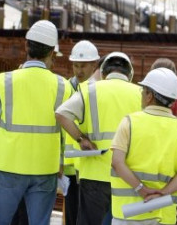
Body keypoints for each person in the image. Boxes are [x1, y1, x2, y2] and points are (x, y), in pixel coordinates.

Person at [0, 20, 72, 225]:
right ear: (52, 52)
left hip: (9, 165)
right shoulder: (63, 86)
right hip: (45, 167)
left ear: (26, 46)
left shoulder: (5, 80)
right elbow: (65, 129)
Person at [56, 52, 141, 225]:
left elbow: (61, 114)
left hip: (95, 173)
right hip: (129, 174)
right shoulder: (141, 93)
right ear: (129, 74)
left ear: (103, 73)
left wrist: (81, 139)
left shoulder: (90, 90)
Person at [109, 67, 177, 225]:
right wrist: (162, 194)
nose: (141, 94)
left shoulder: (130, 122)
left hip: (128, 214)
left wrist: (141, 189)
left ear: (149, 96)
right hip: (164, 215)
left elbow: (117, 162)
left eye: (143, 90)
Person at [63, 40, 101, 225]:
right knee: (71, 216)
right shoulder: (67, 88)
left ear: (95, 65)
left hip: (92, 165)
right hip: (70, 164)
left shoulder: (101, 90)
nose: (79, 70)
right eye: (76, 65)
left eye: (83, 66)